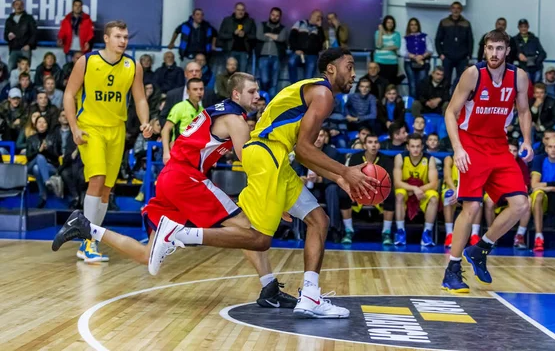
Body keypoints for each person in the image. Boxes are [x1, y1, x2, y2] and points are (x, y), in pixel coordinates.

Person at [148, 48, 375, 319]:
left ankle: (311, 295)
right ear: (330, 70)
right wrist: (345, 171)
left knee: (319, 220)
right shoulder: (324, 94)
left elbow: (303, 152)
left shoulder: (311, 90)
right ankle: (178, 233)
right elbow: (304, 150)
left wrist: (339, 177)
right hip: (268, 157)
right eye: (349, 66)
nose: (353, 73)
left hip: (275, 159)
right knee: (259, 239)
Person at [54, 73, 300, 310]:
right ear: (236, 94)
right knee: (248, 228)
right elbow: (252, 163)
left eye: (257, 91)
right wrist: (278, 199)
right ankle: (267, 287)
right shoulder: (235, 120)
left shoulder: (218, 110)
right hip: (185, 176)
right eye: (252, 91)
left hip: (170, 178)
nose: (257, 96)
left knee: (146, 255)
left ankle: (86, 227)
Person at [441, 29, 533, 293]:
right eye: (490, 48)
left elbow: (524, 110)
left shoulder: (519, 77)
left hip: (499, 146)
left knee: (520, 204)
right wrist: (458, 149)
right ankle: (452, 270)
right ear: (484, 49)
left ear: (508, 51)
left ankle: (481, 248)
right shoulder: (473, 74)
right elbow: (450, 112)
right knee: (470, 207)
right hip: (471, 144)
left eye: (499, 49)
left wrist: (526, 140)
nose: (494, 53)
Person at [63, 20, 152, 263]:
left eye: (125, 37)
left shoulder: (132, 66)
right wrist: (74, 127)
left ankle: (90, 239)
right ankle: (87, 241)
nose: (123, 41)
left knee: (106, 189)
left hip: (116, 130)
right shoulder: (87, 61)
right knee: (98, 178)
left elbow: (140, 99)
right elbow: (69, 94)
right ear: (106, 38)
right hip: (90, 128)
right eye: (118, 36)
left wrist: (145, 122)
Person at [340, 134, 395, 245]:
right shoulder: (356, 158)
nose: (373, 145)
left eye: (376, 142)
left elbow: (389, 181)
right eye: (370, 142)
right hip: (359, 190)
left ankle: (386, 233)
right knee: (343, 194)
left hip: (378, 191)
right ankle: (348, 231)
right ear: (365, 145)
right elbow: (350, 178)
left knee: (391, 195)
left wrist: (379, 192)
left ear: (379, 145)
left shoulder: (386, 160)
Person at [393, 134, 439, 246]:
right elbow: (397, 183)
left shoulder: (429, 159)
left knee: (434, 197)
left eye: (418, 146)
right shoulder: (400, 157)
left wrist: (417, 190)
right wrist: (414, 188)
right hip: (406, 188)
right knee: (399, 195)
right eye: (412, 146)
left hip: (423, 190)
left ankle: (426, 233)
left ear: (422, 146)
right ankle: (400, 232)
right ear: (408, 147)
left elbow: (434, 184)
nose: (415, 149)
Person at [441, 155, 484, 248]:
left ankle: (474, 235)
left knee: (478, 199)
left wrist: (461, 191)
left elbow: (476, 178)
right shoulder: (449, 159)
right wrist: (456, 191)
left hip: (467, 189)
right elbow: (447, 177)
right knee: (448, 197)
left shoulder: (473, 158)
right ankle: (449, 235)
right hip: (452, 188)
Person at [161, 78, 204, 162]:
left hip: (195, 155)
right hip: (179, 152)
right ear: (188, 92)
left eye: (201, 89)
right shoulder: (180, 107)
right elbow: (165, 130)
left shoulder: (203, 111)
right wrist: (166, 152)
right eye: (195, 89)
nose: (199, 92)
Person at [435, 1, 473, 90]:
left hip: (462, 57)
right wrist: (440, 54)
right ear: (450, 9)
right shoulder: (444, 22)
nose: (456, 10)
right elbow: (437, 39)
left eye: (458, 8)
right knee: (445, 80)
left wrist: (469, 55)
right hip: (447, 57)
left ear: (461, 10)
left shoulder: (466, 23)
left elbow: (470, 40)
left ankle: (458, 101)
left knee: (461, 80)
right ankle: (446, 101)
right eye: (454, 8)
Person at [26, 115, 61, 207]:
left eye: (44, 122)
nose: (42, 124)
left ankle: (43, 195)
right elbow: (28, 157)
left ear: (47, 125)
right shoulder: (31, 139)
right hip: (31, 164)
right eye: (39, 122)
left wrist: (47, 150)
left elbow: (57, 156)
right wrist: (39, 151)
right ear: (35, 125)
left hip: (50, 166)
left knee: (37, 168)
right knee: (39, 157)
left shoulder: (53, 138)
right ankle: (47, 181)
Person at [256, 7, 288, 97]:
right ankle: (263, 101)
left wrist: (268, 35)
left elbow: (281, 38)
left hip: (276, 57)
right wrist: (275, 37)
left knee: (274, 83)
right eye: (273, 15)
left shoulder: (283, 28)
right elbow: (259, 36)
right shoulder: (262, 25)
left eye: (277, 16)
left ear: (280, 17)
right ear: (270, 15)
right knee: (264, 80)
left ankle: (271, 105)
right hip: (263, 56)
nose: (274, 17)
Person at [288, 10, 325, 83]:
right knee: (291, 62)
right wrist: (296, 49)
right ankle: (293, 85)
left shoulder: (318, 29)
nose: (319, 18)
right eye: (317, 16)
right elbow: (291, 37)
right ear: (312, 15)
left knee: (310, 73)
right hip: (298, 52)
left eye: (321, 17)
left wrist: (320, 27)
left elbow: (321, 42)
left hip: (312, 54)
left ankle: (305, 90)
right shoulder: (300, 23)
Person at [218, 2, 256, 73]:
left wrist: (245, 35)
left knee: (242, 73)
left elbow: (254, 36)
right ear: (234, 10)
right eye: (238, 10)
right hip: (230, 51)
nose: (240, 12)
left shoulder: (250, 21)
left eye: (242, 10)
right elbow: (221, 35)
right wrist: (233, 34)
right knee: (229, 73)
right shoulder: (227, 20)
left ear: (245, 11)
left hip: (244, 52)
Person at [401, 18, 433, 98]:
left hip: (423, 62)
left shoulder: (425, 36)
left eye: (415, 24)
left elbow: (430, 49)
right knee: (412, 84)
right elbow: (402, 52)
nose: (414, 26)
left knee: (422, 84)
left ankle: (421, 104)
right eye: (411, 25)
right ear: (409, 26)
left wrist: (422, 56)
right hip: (409, 63)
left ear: (418, 26)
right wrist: (414, 57)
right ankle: (412, 106)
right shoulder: (405, 38)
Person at [4, 0, 37, 70]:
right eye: (16, 4)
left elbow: (34, 33)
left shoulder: (29, 18)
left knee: (25, 71)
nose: (19, 6)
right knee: (10, 69)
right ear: (13, 6)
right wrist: (8, 36)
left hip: (25, 49)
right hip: (13, 49)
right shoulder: (9, 20)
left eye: (21, 5)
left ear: (23, 6)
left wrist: (29, 45)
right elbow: (5, 35)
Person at [514, 19, 546, 84]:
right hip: (523, 67)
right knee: (526, 87)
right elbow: (511, 53)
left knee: (538, 87)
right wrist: (518, 55)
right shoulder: (514, 40)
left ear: (528, 27)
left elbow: (543, 53)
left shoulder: (534, 39)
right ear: (518, 28)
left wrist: (537, 60)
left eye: (525, 26)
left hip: (536, 67)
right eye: (521, 27)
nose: (523, 28)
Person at [374, 16, 401, 84]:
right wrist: (380, 31)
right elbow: (378, 45)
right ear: (384, 23)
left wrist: (383, 48)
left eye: (392, 22)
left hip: (392, 63)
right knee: (380, 84)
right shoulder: (378, 32)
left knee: (391, 84)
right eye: (388, 22)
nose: (390, 24)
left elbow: (397, 46)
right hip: (379, 62)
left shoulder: (396, 34)